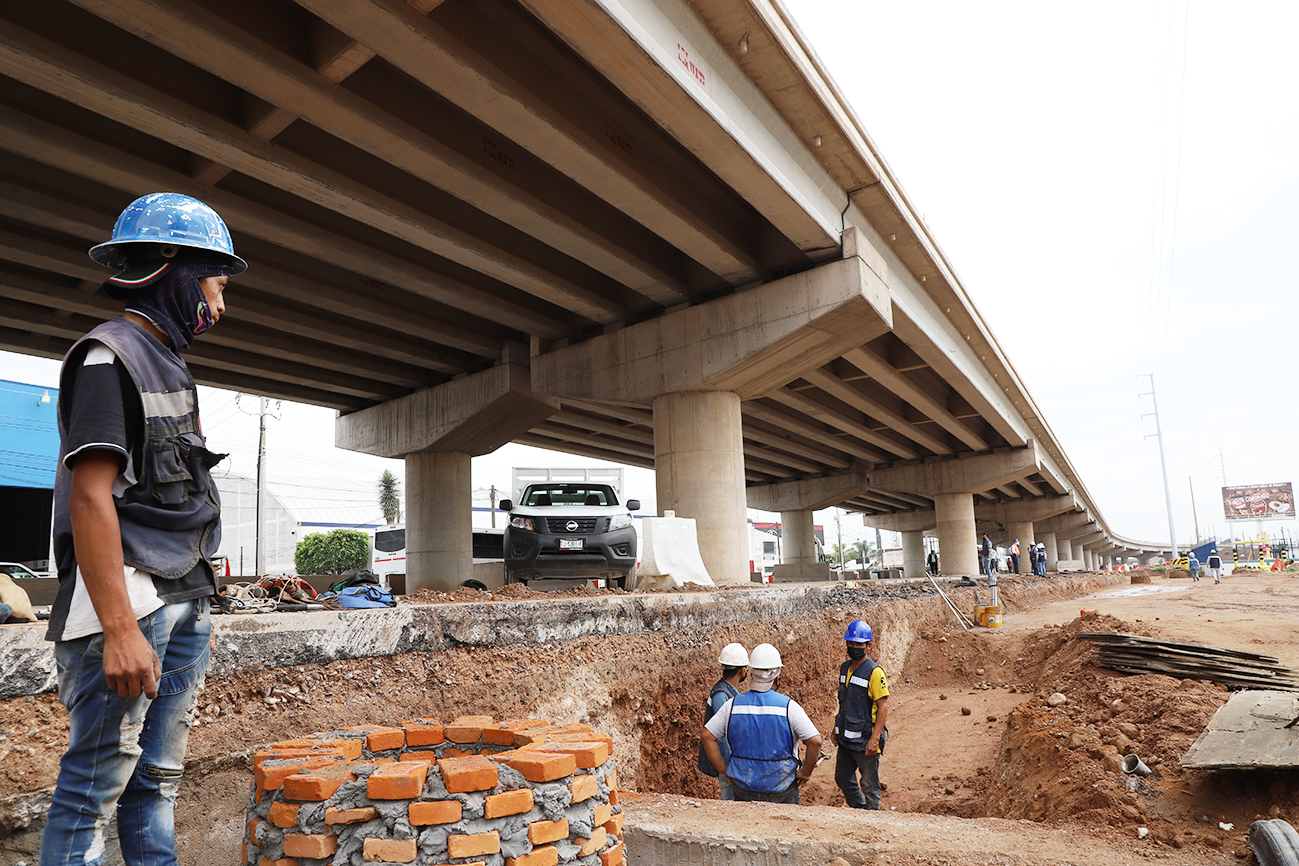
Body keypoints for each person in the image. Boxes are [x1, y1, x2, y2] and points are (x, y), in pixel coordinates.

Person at [41, 193, 244, 866]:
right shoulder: (110, 356)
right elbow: (90, 497)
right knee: (92, 790)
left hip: (182, 597)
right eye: (215, 281)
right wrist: (122, 630)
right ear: (173, 266)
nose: (220, 303)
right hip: (133, 602)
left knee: (154, 783)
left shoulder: (168, 361)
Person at [701, 643, 822, 804]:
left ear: (751, 671)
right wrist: (805, 772)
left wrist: (724, 770)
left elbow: (707, 736)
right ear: (777, 675)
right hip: (781, 789)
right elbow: (816, 741)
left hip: (743, 788)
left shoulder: (732, 705)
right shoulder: (789, 707)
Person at [833, 620, 890, 809]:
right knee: (842, 777)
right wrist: (836, 728)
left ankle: (872, 819)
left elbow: (883, 707)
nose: (854, 647)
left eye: (859, 644)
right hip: (846, 738)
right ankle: (859, 810)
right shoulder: (844, 668)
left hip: (865, 739)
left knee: (869, 785)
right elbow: (845, 701)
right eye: (851, 643)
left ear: (869, 645)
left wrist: (874, 739)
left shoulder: (874, 672)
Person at [697, 642, 749, 800]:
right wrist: (726, 768)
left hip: (733, 761)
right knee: (730, 801)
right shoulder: (721, 694)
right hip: (728, 764)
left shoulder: (729, 691)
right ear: (742, 670)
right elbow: (720, 735)